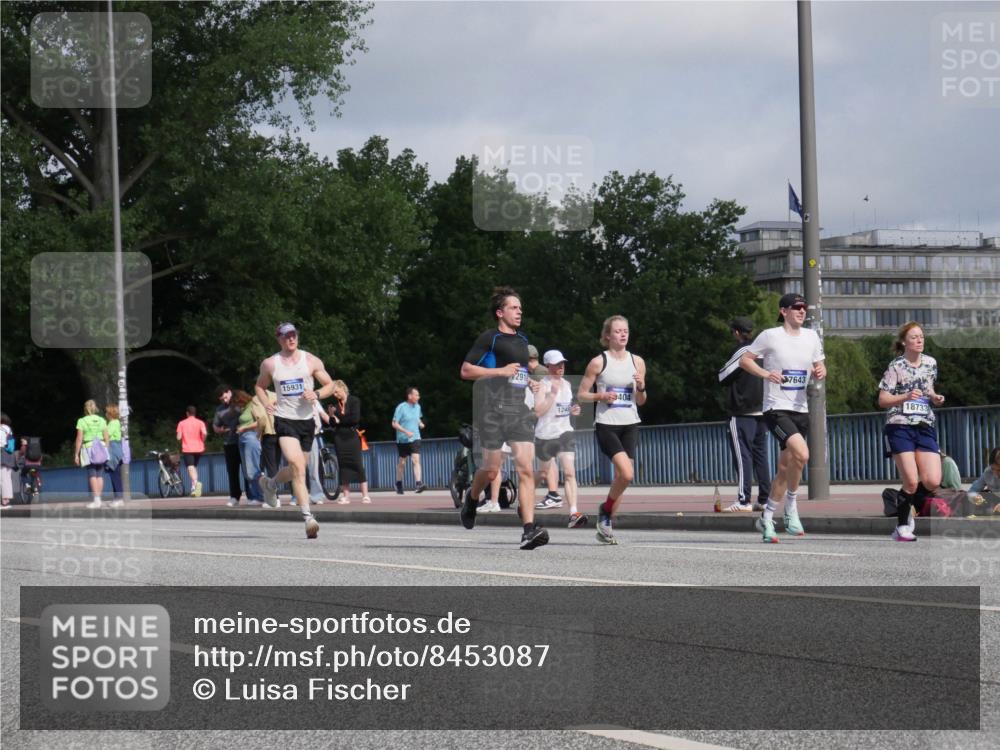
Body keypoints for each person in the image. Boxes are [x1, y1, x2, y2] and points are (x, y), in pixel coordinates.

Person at [460, 286, 548, 550]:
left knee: (524, 468)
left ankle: (529, 530)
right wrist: (500, 371)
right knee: (491, 469)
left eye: (520, 308)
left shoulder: (522, 341)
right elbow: (466, 370)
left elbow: (516, 373)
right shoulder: (490, 338)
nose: (519, 311)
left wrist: (529, 382)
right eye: (513, 307)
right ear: (500, 312)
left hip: (519, 411)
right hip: (492, 411)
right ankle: (472, 499)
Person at [739, 293, 826, 543]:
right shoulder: (770, 335)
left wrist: (820, 370)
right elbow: (745, 361)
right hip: (776, 409)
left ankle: (766, 518)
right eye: (797, 307)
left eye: (804, 308)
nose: (802, 311)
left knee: (786, 467)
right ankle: (791, 507)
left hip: (801, 409)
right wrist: (766, 374)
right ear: (784, 311)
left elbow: (820, 366)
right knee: (804, 453)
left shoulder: (811, 337)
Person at [255, 323, 335, 538]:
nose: (291, 339)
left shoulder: (311, 360)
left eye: (294, 335)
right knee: (298, 466)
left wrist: (317, 394)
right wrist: (266, 403)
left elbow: (331, 385)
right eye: (286, 336)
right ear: (278, 339)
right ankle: (308, 518)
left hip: (307, 422)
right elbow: (260, 387)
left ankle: (270, 484)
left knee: (296, 470)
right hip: (284, 420)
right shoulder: (271, 364)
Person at [578, 315, 648, 545]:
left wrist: (641, 386)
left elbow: (641, 400)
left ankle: (606, 526)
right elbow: (581, 394)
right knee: (627, 474)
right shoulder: (599, 362)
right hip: (607, 424)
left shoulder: (637, 361)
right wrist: (600, 395)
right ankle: (605, 511)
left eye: (625, 330)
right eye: (618, 331)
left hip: (630, 423)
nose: (623, 334)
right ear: (608, 335)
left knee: (621, 477)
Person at [877, 322, 945, 542]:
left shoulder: (930, 363)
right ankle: (903, 526)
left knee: (933, 481)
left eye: (922, 337)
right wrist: (905, 397)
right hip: (899, 425)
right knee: (912, 482)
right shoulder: (896, 366)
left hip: (924, 424)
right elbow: (883, 400)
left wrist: (934, 397)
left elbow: (928, 388)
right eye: (914, 337)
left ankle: (905, 504)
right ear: (904, 342)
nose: (919, 340)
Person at [717, 316, 771, 512]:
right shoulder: (764, 351)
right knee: (761, 455)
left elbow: (722, 376)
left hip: (741, 411)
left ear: (737, 333)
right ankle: (764, 499)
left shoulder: (743, 351)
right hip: (763, 410)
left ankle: (743, 500)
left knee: (742, 456)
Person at [529, 350, 587, 528]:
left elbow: (564, 408)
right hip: (545, 435)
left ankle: (573, 513)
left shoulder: (568, 384)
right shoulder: (542, 385)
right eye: (556, 364)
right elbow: (538, 412)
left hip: (564, 432)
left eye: (562, 363)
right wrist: (551, 395)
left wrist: (573, 410)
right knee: (543, 473)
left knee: (570, 472)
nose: (561, 367)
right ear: (548, 366)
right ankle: (526, 493)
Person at [328, 381, 371, 504]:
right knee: (343, 465)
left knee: (357, 464)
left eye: (336, 391)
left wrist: (338, 418)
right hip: (339, 438)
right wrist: (331, 415)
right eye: (333, 393)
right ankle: (346, 496)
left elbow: (354, 419)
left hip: (352, 436)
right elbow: (332, 424)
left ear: (343, 388)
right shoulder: (336, 405)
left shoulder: (354, 401)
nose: (335, 395)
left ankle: (365, 495)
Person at [74, 399, 112, 509]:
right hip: (101, 447)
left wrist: (76, 454)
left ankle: (96, 501)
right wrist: (106, 449)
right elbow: (106, 437)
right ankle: (98, 499)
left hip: (89, 448)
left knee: (92, 474)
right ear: (95, 408)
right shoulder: (102, 420)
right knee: (100, 475)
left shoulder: (82, 421)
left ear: (85, 409)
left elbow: (79, 438)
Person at [392, 387, 426, 494]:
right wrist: (406, 431)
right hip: (403, 439)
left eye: (418, 395)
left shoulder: (418, 407)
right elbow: (394, 424)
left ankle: (418, 484)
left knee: (416, 459)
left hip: (415, 438)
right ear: (409, 396)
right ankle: (398, 483)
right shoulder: (401, 407)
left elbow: (417, 418)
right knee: (402, 462)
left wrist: (420, 423)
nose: (418, 397)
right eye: (416, 395)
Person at [212, 386, 242, 505]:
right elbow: (215, 425)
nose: (224, 401)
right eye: (221, 399)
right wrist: (217, 430)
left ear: (229, 392)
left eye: (225, 397)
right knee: (232, 471)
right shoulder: (219, 409)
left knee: (248, 471)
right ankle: (234, 496)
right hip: (229, 443)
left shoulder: (240, 403)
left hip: (243, 441)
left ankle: (253, 496)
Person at [234, 391, 264, 507]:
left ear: (241, 399)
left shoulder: (252, 405)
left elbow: (259, 421)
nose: (237, 405)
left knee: (253, 469)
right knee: (247, 471)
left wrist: (244, 428)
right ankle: (255, 496)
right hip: (243, 438)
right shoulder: (245, 408)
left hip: (251, 437)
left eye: (237, 403)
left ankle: (260, 497)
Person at [176, 405, 208, 498]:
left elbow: (178, 437)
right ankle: (193, 488)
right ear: (195, 413)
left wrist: (181, 435)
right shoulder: (200, 422)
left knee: (190, 467)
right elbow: (205, 433)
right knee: (193, 467)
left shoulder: (182, 423)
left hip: (188, 449)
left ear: (187, 413)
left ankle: (196, 483)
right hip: (199, 448)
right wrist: (202, 439)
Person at [967, 447, 1000, 513]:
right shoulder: (988, 472)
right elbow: (972, 491)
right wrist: (975, 497)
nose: (996, 473)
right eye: (993, 469)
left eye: (999, 470)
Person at [104, 404, 125, 503]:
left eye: (106, 412)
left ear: (110, 414)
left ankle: (119, 498)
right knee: (114, 474)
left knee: (114, 475)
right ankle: (117, 498)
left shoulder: (113, 423)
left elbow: (106, 435)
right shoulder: (115, 422)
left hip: (113, 450)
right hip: (116, 449)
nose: (105, 414)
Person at [0, 413, 14, 510]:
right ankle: (6, 501)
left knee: (3, 478)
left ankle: (4, 502)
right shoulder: (8, 429)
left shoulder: (1, 428)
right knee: (6, 478)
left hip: (2, 453)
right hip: (8, 454)